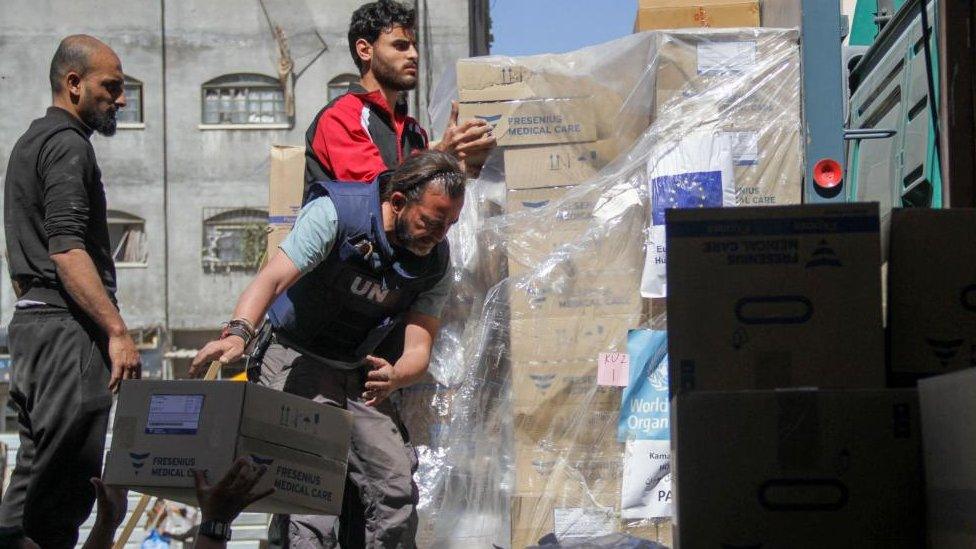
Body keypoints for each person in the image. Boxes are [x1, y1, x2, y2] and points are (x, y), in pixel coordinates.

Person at [190, 150, 466, 547]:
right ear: (399, 202)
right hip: (294, 356)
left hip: (358, 372)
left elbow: (419, 347)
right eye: (431, 222)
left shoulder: (435, 261)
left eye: (450, 225)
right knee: (309, 498)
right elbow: (272, 279)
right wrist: (237, 333)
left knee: (395, 490)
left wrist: (397, 375)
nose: (440, 235)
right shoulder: (337, 213)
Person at [0, 34, 141, 549]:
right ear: (73, 83)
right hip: (65, 334)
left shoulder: (29, 143)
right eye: (112, 86)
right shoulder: (67, 145)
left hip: (34, 330)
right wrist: (117, 331)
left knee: (30, 489)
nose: (121, 99)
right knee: (60, 494)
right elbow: (65, 249)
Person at [305, 0, 495, 192]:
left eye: (414, 45)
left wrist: (463, 169)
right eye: (400, 46)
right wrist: (442, 155)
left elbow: (421, 199)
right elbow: (377, 196)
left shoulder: (414, 130)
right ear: (364, 50)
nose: (414, 54)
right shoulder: (341, 117)